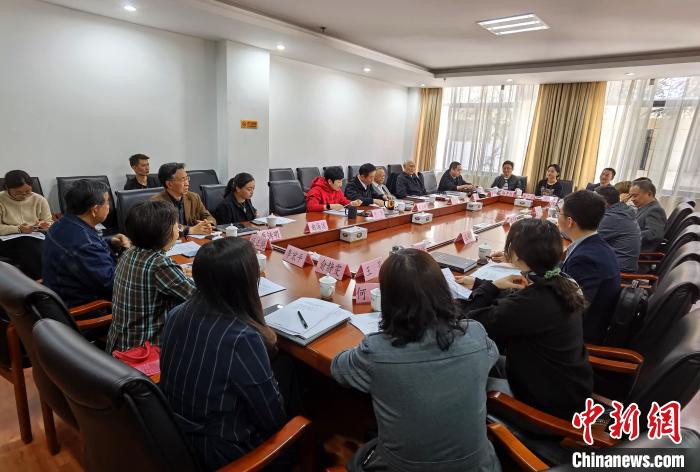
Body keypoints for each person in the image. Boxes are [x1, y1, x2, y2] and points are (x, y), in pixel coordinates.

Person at [332, 248, 500, 472]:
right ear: (443, 291)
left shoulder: (376, 350)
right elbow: (491, 355)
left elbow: (338, 368)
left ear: (389, 301)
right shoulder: (475, 333)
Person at [160, 237, 287, 470]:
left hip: (174, 436)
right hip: (221, 452)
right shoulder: (242, 338)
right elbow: (272, 418)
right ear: (247, 283)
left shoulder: (177, 313)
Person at [456, 219, 593, 420]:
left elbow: (470, 323)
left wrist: (491, 287)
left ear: (517, 255)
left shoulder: (532, 302)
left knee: (462, 375)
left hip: (546, 411)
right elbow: (515, 307)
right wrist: (485, 284)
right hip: (568, 388)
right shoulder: (563, 282)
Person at [106, 200, 195, 353]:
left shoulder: (129, 252)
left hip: (120, 344)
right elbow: (199, 296)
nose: (178, 230)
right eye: (176, 226)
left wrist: (178, 270)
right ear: (165, 232)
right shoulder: (160, 265)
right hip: (143, 352)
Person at [43, 179, 131, 307]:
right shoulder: (86, 244)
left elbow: (85, 249)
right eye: (107, 202)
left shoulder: (62, 223)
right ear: (94, 210)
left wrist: (111, 242)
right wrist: (127, 255)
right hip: (89, 307)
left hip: (63, 291)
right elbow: (115, 286)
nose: (109, 206)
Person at [559, 190, 620, 344]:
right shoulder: (595, 244)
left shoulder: (585, 259)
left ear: (570, 221)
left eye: (559, 213)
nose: (558, 217)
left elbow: (570, 310)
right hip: (587, 320)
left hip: (580, 335)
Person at [0, 170, 52, 279]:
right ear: (7, 188)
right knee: (29, 245)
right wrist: (19, 229)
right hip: (7, 240)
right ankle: (43, 279)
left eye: (28, 191)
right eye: (18, 192)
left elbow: (49, 222)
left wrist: (45, 225)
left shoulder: (39, 199)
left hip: (36, 237)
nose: (24, 195)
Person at [152, 163, 216, 236]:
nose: (187, 183)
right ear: (169, 184)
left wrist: (208, 224)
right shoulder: (157, 203)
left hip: (194, 240)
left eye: (187, 178)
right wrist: (190, 230)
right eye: (183, 180)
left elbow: (207, 216)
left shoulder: (194, 197)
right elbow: (165, 228)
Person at [595, 186, 641, 273]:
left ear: (603, 202)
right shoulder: (622, 210)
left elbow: (585, 236)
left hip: (618, 271)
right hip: (615, 263)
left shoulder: (614, 217)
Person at [629, 179, 667, 251]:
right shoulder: (645, 207)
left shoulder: (655, 210)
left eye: (635, 196)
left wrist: (628, 235)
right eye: (631, 196)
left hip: (639, 252)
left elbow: (654, 234)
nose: (632, 199)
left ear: (649, 194)